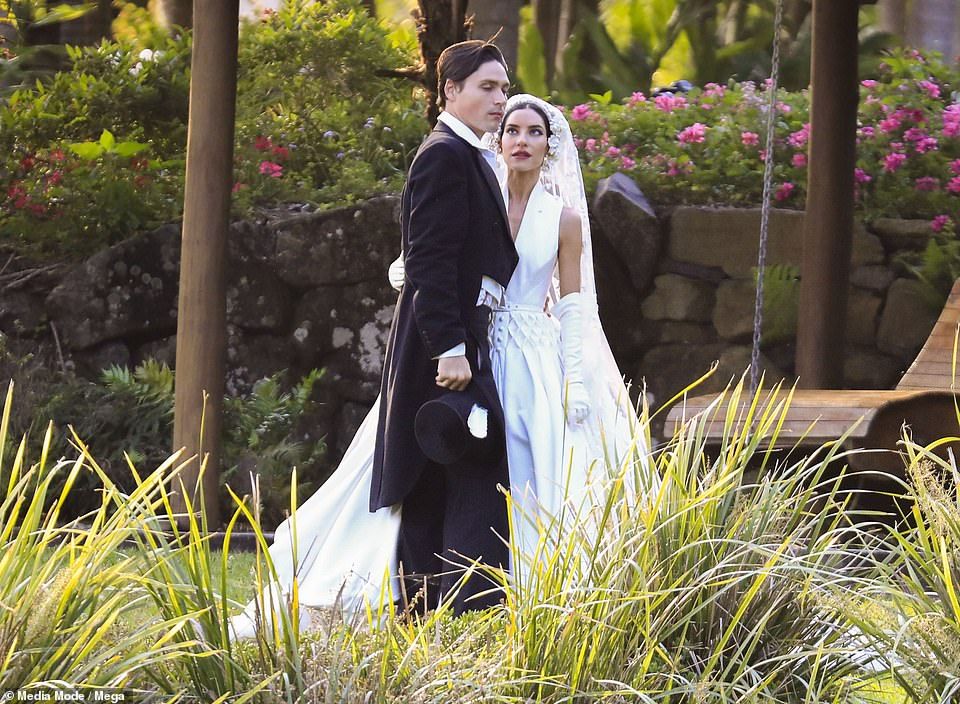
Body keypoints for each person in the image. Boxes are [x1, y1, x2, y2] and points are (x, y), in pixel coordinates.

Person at [229, 91, 648, 637]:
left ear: (550, 146)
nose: (522, 140)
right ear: (500, 140)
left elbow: (573, 305)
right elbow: (420, 260)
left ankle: (526, 594)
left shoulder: (564, 219)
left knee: (531, 463)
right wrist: (417, 280)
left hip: (530, 354)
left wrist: (575, 379)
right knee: (432, 450)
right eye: (513, 130)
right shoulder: (477, 195)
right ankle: (401, 581)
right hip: (469, 343)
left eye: (535, 133)